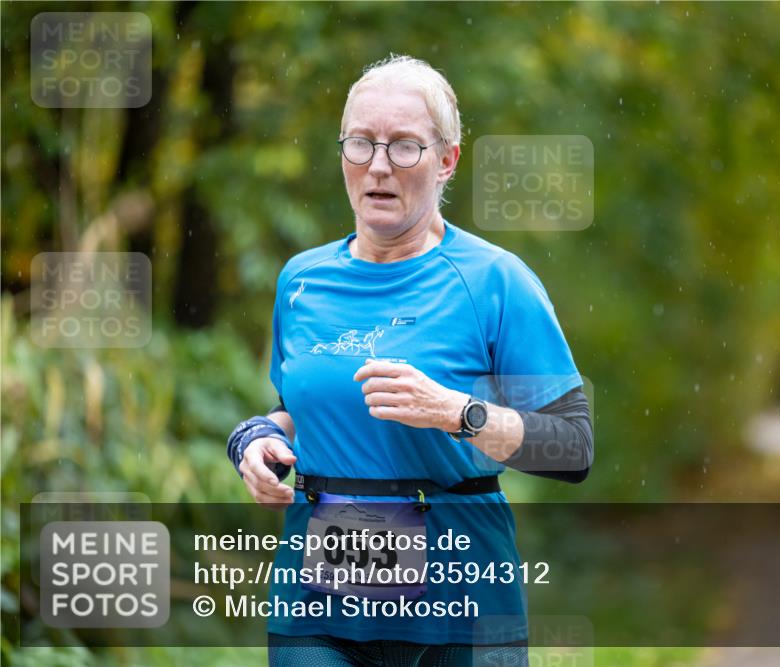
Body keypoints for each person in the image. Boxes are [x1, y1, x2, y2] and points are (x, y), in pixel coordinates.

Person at [225, 55, 593, 667]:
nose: (377, 166)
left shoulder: (495, 281)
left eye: (403, 147)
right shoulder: (302, 280)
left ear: (446, 160)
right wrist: (254, 439)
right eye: (361, 143)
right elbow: (298, 412)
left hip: (461, 606)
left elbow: (574, 447)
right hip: (316, 599)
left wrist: (457, 412)